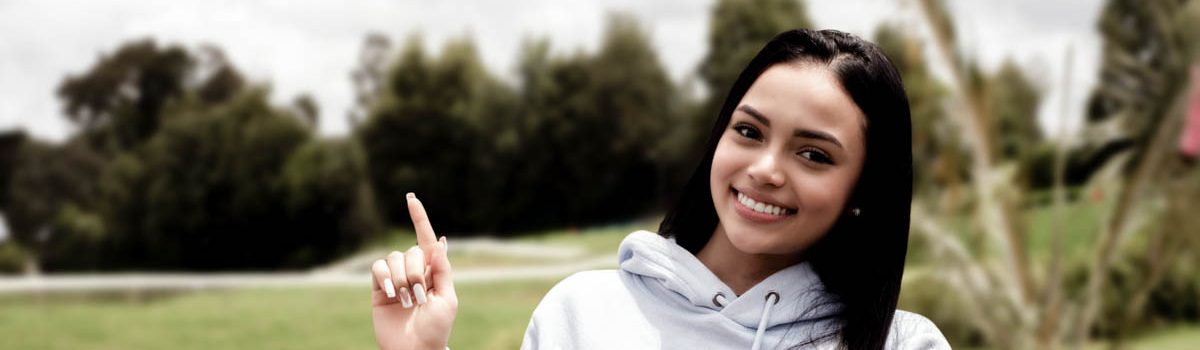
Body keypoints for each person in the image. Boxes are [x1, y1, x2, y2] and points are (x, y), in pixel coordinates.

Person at [369, 29, 951, 350]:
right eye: (749, 132)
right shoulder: (584, 313)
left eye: (814, 154)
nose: (766, 169)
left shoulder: (903, 345)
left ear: (862, 190)